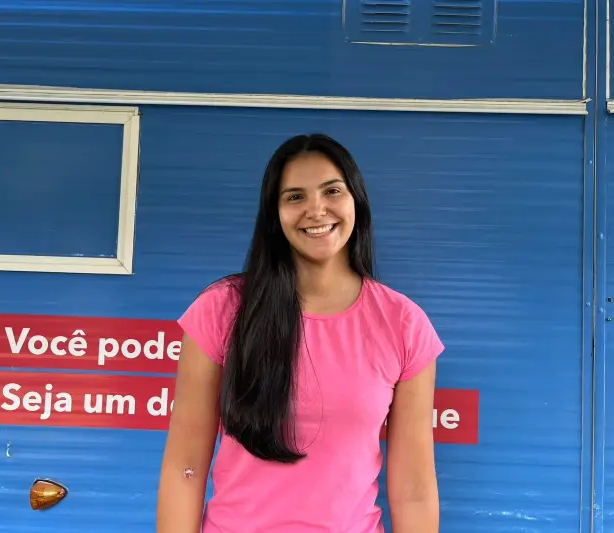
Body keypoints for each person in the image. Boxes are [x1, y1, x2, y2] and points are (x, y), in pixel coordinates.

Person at [156, 133, 445, 533]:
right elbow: (185, 466)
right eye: (295, 197)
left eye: (332, 191)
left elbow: (414, 491)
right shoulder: (220, 310)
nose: (316, 209)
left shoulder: (404, 324)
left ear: (356, 201)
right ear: (274, 215)